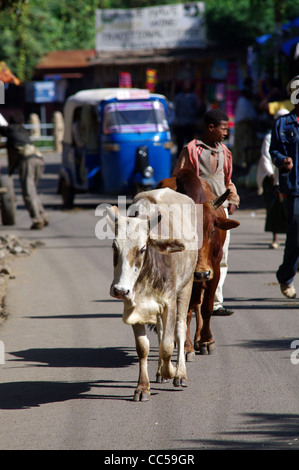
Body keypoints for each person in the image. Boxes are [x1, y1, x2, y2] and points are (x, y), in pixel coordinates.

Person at [173, 108, 240, 315]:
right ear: (210, 128)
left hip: (219, 213)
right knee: (195, 256)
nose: (226, 132)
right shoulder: (192, 149)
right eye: (223, 128)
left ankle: (215, 302)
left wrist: (233, 197)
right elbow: (179, 177)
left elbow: (227, 181)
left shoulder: (225, 152)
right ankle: (190, 300)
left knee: (221, 256)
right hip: (198, 214)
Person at [270, 75, 299, 299]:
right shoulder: (282, 123)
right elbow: (274, 151)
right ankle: (286, 276)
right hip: (293, 188)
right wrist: (282, 160)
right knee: (295, 235)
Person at [0, 111, 48, 229]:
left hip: (27, 160)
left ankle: (37, 220)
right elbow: (11, 145)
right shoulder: (22, 131)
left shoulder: (9, 130)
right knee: (32, 191)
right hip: (39, 159)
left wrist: (10, 172)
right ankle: (44, 216)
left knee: (28, 192)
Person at [256, 109, 289, 249]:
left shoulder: (290, 135)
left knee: (288, 210)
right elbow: (266, 158)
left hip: (286, 178)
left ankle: (290, 238)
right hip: (271, 178)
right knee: (273, 208)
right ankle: (275, 238)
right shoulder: (270, 137)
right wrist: (271, 175)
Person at [233, 78, 258, 168]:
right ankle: (240, 163)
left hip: (246, 126)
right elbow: (246, 117)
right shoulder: (243, 101)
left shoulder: (247, 101)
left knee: (246, 146)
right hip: (243, 126)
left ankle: (243, 163)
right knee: (242, 145)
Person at [174, 81, 198, 158]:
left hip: (190, 123)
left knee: (190, 142)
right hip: (181, 123)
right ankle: (179, 157)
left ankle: (189, 157)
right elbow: (176, 110)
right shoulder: (178, 97)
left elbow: (196, 109)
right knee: (180, 142)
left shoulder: (193, 97)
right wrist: (176, 121)